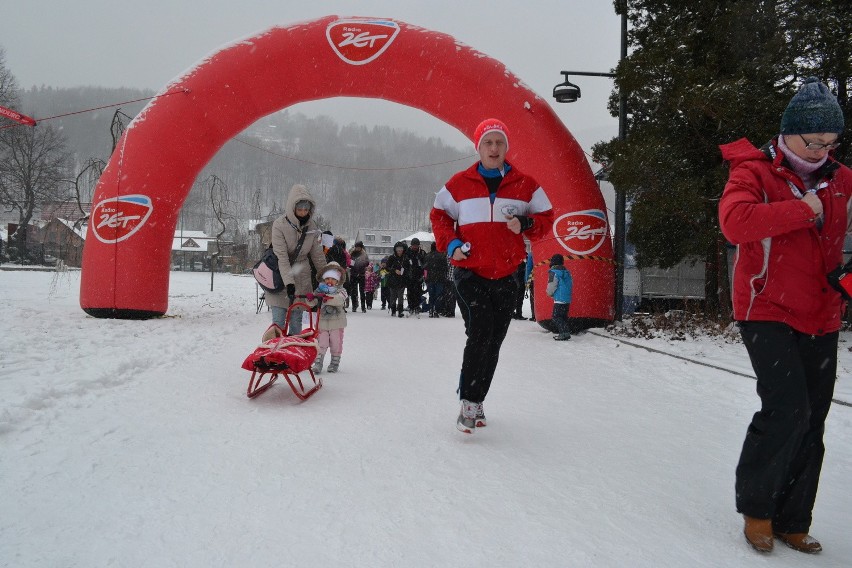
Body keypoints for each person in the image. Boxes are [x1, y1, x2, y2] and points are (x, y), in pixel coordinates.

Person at [718, 77, 850, 554]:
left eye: (831, 143)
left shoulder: (842, 179)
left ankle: (794, 518)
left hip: (822, 311)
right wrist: (800, 209)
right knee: (787, 408)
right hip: (766, 309)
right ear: (788, 133)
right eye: (813, 141)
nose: (821, 151)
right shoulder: (754, 172)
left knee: (813, 418)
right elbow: (735, 224)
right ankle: (759, 510)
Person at [430, 118, 554, 433]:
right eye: (488, 143)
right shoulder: (459, 183)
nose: (494, 148)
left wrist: (526, 225)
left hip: (509, 274)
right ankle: (469, 402)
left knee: (494, 340)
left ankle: (478, 398)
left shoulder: (525, 184)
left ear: (506, 147)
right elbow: (439, 215)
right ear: (479, 147)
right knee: (481, 332)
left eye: (499, 142)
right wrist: (453, 244)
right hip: (470, 272)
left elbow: (547, 218)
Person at [266, 184, 327, 335]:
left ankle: (294, 355)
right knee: (278, 324)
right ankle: (276, 355)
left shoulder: (311, 226)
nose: (303, 213)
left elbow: (317, 255)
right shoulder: (279, 225)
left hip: (301, 278)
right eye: (299, 209)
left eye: (306, 210)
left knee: (296, 322)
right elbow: (282, 257)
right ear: (292, 207)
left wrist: (328, 278)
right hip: (280, 277)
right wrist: (289, 283)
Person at [309, 263, 348, 373]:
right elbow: (312, 303)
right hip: (322, 322)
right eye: (327, 278)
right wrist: (311, 298)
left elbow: (339, 300)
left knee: (336, 342)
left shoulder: (341, 291)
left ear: (338, 280)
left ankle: (334, 362)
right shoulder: (320, 290)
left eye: (333, 279)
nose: (329, 281)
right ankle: (318, 363)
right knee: (321, 342)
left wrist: (326, 298)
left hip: (337, 322)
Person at [545, 254, 572, 340]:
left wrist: (549, 293)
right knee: (563, 317)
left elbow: (552, 285)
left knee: (556, 316)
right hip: (567, 298)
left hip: (559, 298)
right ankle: (564, 333)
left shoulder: (554, 272)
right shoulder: (566, 272)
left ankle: (564, 333)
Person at [424, 243, 448, 317]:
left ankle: (431, 309)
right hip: (439, 279)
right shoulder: (442, 257)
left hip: (430, 279)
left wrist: (425, 278)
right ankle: (436, 310)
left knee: (431, 295)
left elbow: (425, 268)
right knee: (438, 295)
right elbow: (445, 268)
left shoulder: (427, 256)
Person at [403, 238, 426, 315]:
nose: (415, 247)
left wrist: (423, 275)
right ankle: (411, 305)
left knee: (418, 292)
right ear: (411, 245)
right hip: (409, 276)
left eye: (416, 245)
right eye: (414, 245)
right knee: (410, 292)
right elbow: (404, 264)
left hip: (419, 276)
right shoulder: (407, 253)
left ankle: (417, 306)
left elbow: (425, 264)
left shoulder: (422, 253)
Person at [385, 242, 407, 317]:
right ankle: (393, 310)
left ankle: (400, 311)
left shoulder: (405, 258)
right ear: (395, 250)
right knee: (393, 296)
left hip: (401, 280)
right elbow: (387, 268)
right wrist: (394, 270)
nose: (399, 251)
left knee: (400, 296)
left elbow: (408, 268)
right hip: (392, 280)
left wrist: (404, 272)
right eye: (398, 250)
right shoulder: (391, 257)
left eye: (401, 249)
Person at [349, 241, 370, 313]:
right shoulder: (352, 253)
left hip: (361, 275)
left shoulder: (364, 254)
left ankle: (363, 307)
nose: (357, 248)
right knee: (353, 292)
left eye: (359, 247)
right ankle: (354, 306)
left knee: (362, 291)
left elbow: (367, 263)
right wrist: (353, 262)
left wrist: (362, 262)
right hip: (353, 274)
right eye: (356, 247)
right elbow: (350, 264)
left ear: (361, 247)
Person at [525, 250, 536, 321]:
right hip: (543, 278)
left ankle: (534, 315)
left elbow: (529, 267)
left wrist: (527, 281)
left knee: (533, 298)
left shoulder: (531, 254)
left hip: (533, 279)